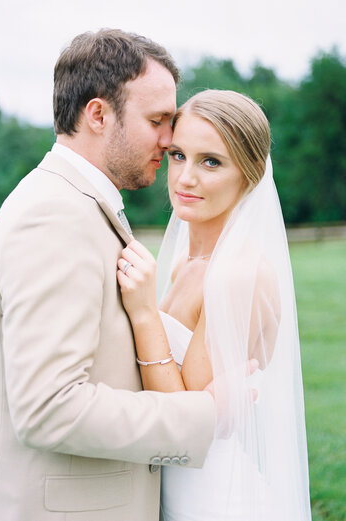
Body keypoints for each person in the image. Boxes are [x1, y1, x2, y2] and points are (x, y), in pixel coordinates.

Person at [0, 30, 217, 521]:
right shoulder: (54, 216)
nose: (170, 140)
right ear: (98, 115)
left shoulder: (78, 202)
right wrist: (201, 415)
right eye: (158, 121)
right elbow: (49, 407)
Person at [117, 89, 312, 520]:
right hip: (173, 485)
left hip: (214, 500)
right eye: (178, 155)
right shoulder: (188, 257)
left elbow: (186, 420)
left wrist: (144, 311)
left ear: (251, 174)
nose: (185, 178)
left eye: (211, 162)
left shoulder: (238, 274)